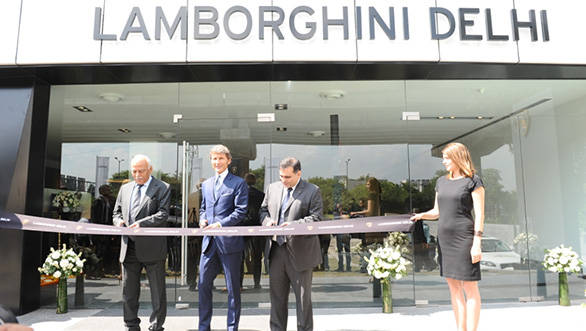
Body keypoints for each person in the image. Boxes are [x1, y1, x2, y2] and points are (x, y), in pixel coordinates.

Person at [411, 142, 485, 331]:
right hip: (445, 239)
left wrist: (477, 242)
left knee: (470, 288)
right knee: (453, 287)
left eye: (446, 158)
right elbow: (437, 211)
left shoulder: (473, 181)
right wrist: (420, 216)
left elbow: (480, 214)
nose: (443, 162)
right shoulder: (441, 182)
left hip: (465, 238)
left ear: (457, 157)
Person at [261, 157, 323, 331]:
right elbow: (263, 210)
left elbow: (316, 217)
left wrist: (295, 225)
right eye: (281, 176)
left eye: (287, 177)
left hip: (301, 253)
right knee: (277, 299)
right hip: (276, 251)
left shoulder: (313, 190)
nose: (283, 180)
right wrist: (267, 222)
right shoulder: (272, 188)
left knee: (303, 300)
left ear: (299, 173)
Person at [113, 154, 171, 331]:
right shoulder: (125, 189)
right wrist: (120, 223)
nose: (137, 174)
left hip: (152, 248)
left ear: (150, 170)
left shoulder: (162, 187)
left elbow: (163, 214)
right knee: (129, 292)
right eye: (134, 171)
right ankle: (130, 325)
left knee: (157, 292)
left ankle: (156, 326)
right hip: (129, 247)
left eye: (141, 171)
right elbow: (116, 213)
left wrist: (142, 224)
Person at [198, 145, 248, 331]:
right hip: (209, 244)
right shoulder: (206, 184)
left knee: (233, 289)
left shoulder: (238, 183)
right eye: (213, 159)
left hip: (230, 244)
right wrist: (203, 219)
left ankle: (232, 328)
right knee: (203, 285)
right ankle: (203, 327)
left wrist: (220, 224)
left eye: (220, 158)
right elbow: (204, 208)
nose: (217, 162)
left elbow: (240, 212)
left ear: (228, 160)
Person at [240, 173, 265, 289]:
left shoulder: (240, 194)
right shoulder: (261, 195)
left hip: (243, 226)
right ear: (254, 182)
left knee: (240, 256)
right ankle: (257, 282)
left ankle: (239, 282)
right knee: (257, 256)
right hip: (257, 227)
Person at [91, 184, 116, 276]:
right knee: (99, 250)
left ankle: (105, 268)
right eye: (107, 189)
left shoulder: (110, 201)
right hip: (100, 229)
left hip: (108, 228)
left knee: (106, 249)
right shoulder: (98, 201)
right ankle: (97, 270)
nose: (109, 191)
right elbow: (94, 217)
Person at [333, 203, 351, 272]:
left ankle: (348, 267)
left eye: (339, 207)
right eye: (337, 207)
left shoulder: (345, 213)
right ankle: (340, 267)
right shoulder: (336, 214)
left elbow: (347, 218)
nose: (338, 208)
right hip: (339, 234)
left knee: (347, 251)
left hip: (345, 234)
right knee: (340, 251)